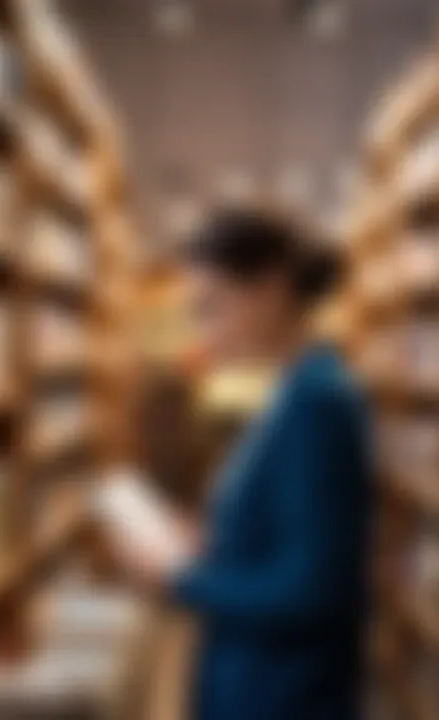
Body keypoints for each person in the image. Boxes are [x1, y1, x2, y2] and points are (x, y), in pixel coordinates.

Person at [121, 207, 372, 720]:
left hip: (283, 697)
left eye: (213, 306)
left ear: (272, 290)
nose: (201, 330)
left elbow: (314, 590)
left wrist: (181, 578)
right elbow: (283, 538)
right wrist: (212, 542)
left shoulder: (317, 400)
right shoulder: (291, 390)